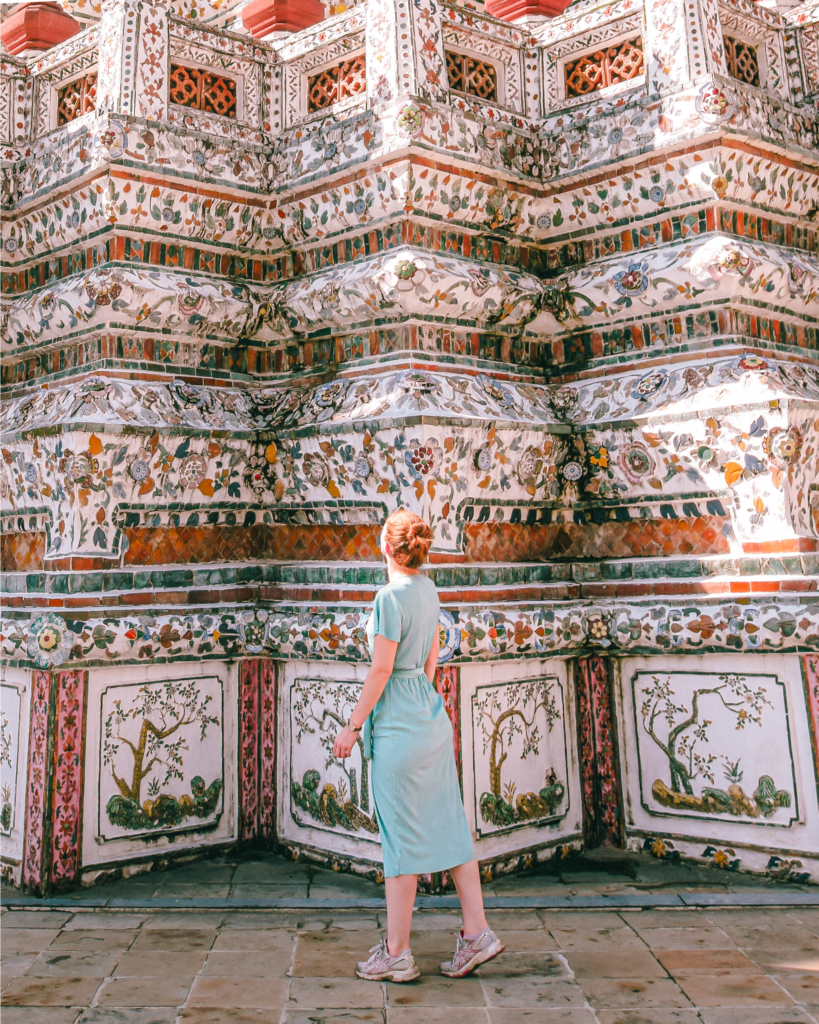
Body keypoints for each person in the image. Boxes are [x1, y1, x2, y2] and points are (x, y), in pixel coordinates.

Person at [333, 508, 504, 982]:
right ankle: (477, 934)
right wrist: (420, 701)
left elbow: (382, 669)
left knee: (401, 842)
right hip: (429, 715)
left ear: (386, 547)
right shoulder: (429, 590)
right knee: (450, 828)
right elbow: (430, 663)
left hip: (398, 725)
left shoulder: (388, 598)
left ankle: (398, 953)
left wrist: (351, 726)